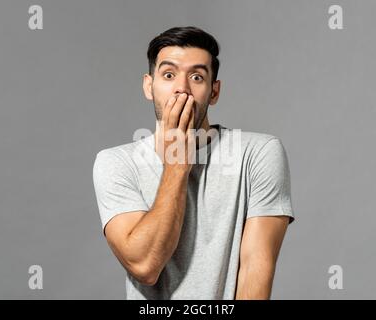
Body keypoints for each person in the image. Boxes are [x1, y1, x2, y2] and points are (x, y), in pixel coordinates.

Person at [92, 26, 295, 300]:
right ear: (148, 86)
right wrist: (178, 163)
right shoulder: (116, 163)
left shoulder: (257, 153)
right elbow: (144, 265)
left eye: (197, 77)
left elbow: (254, 271)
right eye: (168, 75)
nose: (182, 89)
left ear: (214, 91)